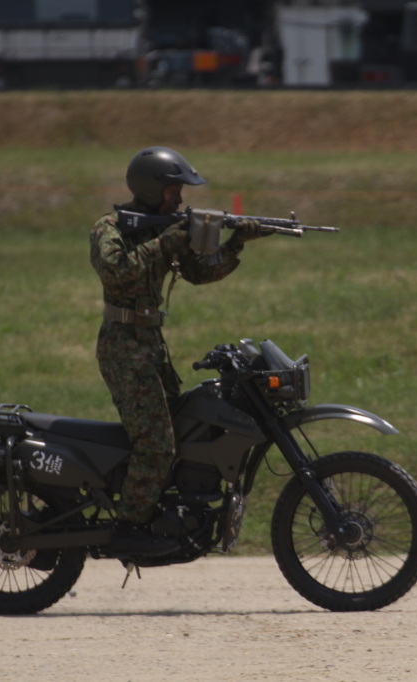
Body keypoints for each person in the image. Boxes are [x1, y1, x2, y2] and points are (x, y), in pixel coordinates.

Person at [90, 146, 271, 556]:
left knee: (179, 435)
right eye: (174, 191)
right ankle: (128, 527)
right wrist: (167, 241)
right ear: (151, 190)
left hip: (151, 348)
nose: (180, 199)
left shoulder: (164, 229)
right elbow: (117, 270)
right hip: (123, 348)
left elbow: (199, 273)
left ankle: (162, 515)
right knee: (156, 445)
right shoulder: (109, 227)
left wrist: (237, 242)